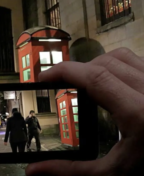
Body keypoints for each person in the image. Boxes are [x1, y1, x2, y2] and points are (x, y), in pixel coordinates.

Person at [26, 47, 144, 176]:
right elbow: (26, 123)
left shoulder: (35, 118)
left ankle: (36, 149)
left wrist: (39, 128)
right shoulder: (28, 118)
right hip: (30, 132)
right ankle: (28, 147)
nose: (32, 114)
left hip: (35, 131)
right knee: (30, 140)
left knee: (37, 141)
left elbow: (36, 123)